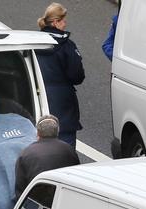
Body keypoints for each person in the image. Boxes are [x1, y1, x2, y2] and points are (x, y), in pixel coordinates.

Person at [36, 3, 85, 148]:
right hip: (63, 107)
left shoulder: (32, 42)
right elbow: (77, 76)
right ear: (56, 22)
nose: (65, 23)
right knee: (65, 151)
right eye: (63, 20)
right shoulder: (67, 46)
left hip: (39, 100)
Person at [15, 115, 80, 198]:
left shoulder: (26, 153)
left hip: (37, 202)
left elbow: (20, 188)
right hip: (63, 198)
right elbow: (76, 178)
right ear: (57, 131)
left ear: (38, 132)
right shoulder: (69, 150)